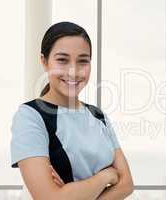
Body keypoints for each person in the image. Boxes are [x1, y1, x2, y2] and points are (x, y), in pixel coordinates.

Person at [10, 21, 134, 200]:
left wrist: (73, 192)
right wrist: (104, 177)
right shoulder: (30, 116)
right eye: (62, 60)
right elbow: (49, 198)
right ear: (44, 61)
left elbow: (127, 184)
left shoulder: (98, 116)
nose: (73, 72)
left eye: (83, 61)